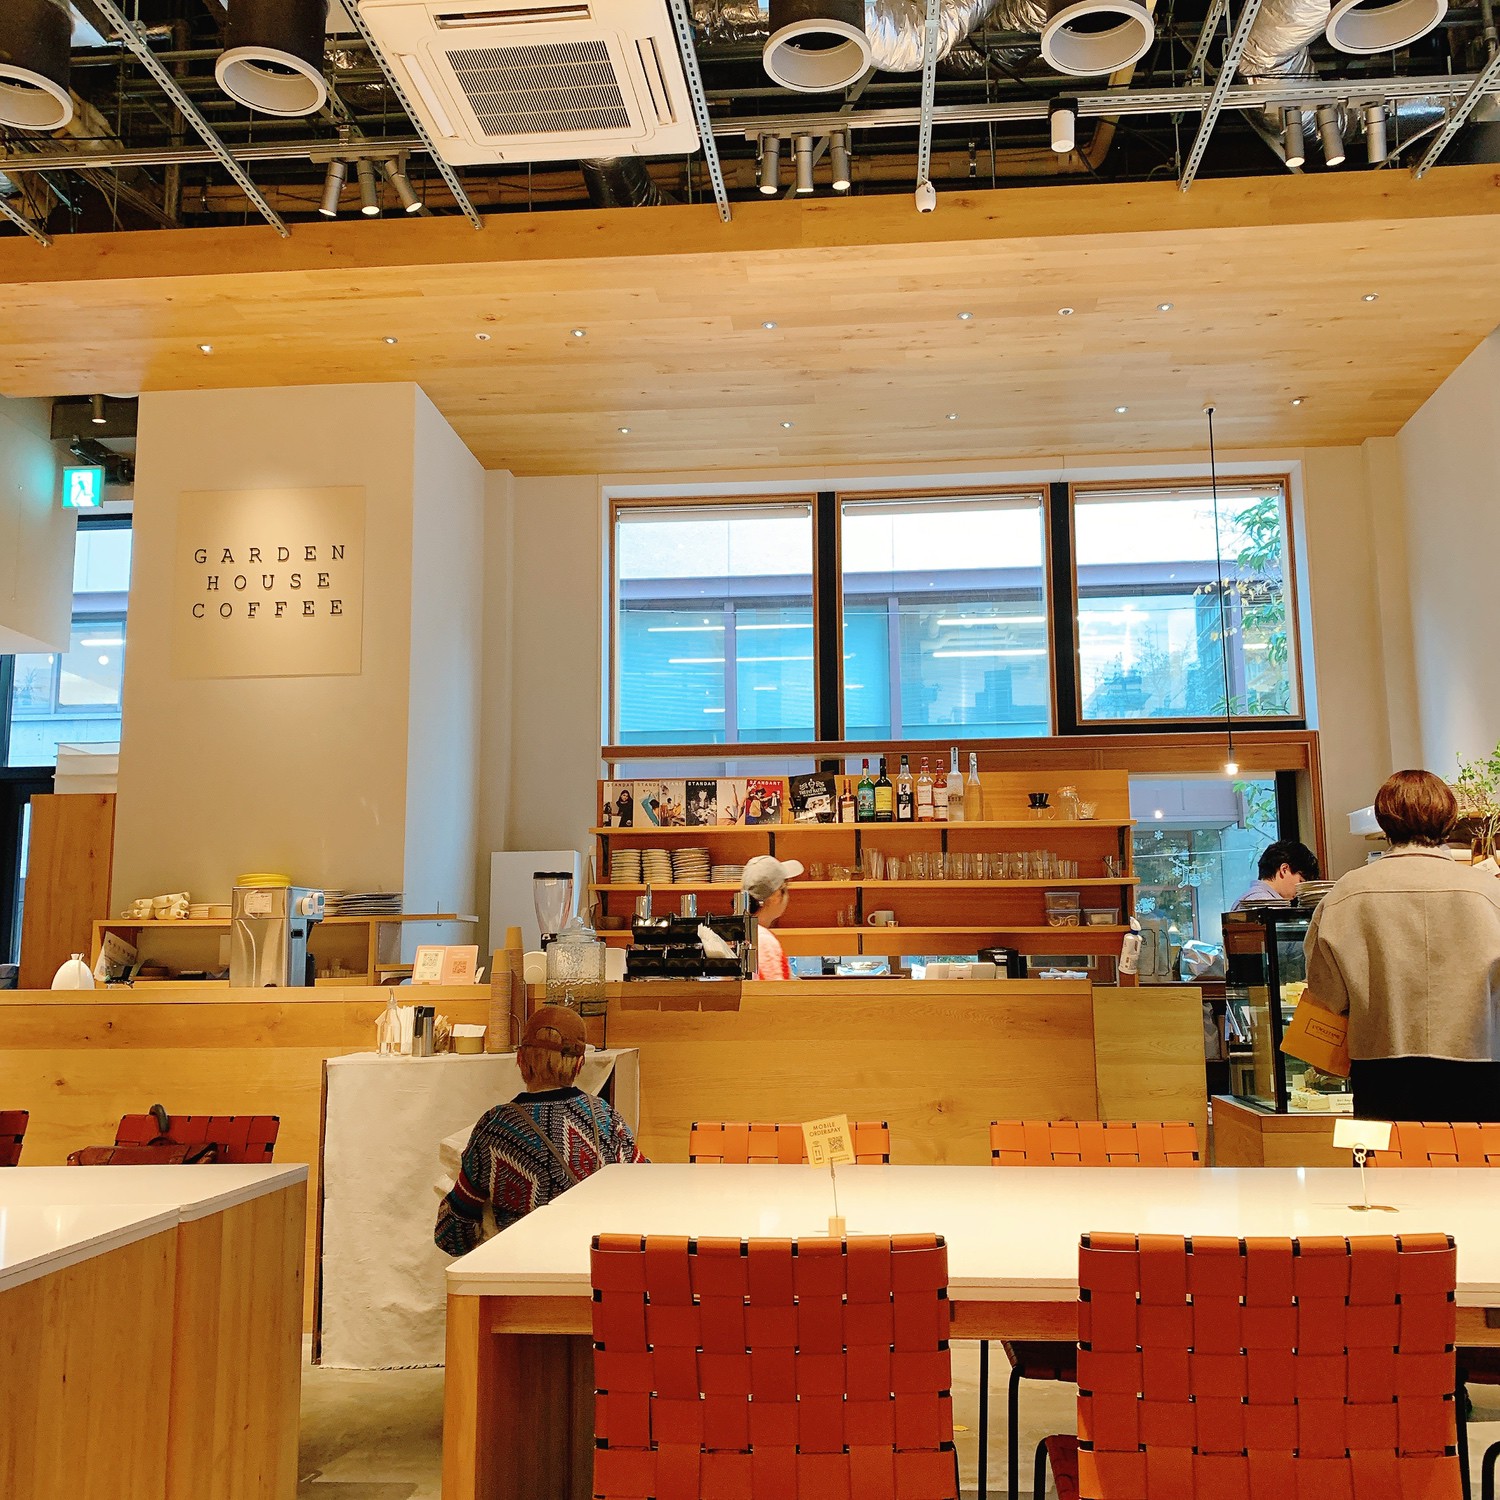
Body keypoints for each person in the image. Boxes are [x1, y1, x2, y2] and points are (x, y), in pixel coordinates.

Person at [1303, 769, 1500, 1122]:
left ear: (1384, 821)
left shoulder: (1346, 893)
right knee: (1475, 1156)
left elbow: (1326, 991)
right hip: (1481, 1062)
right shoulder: (1489, 892)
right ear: (1449, 819)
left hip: (1380, 1068)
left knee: (1387, 1155)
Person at [434, 1005, 644, 1256]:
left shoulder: (495, 1128)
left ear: (520, 1060)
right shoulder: (606, 1118)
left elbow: (452, 1237)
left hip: (525, 1269)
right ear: (580, 1064)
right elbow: (644, 1187)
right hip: (598, 1266)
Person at [741, 853, 803, 981]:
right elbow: (774, 991)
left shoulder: (741, 932)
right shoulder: (763, 941)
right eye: (786, 887)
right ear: (776, 895)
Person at [1234, 840, 1320, 908]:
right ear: (1284, 870)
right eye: (1301, 881)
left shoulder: (1247, 898)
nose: (1300, 891)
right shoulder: (1265, 904)